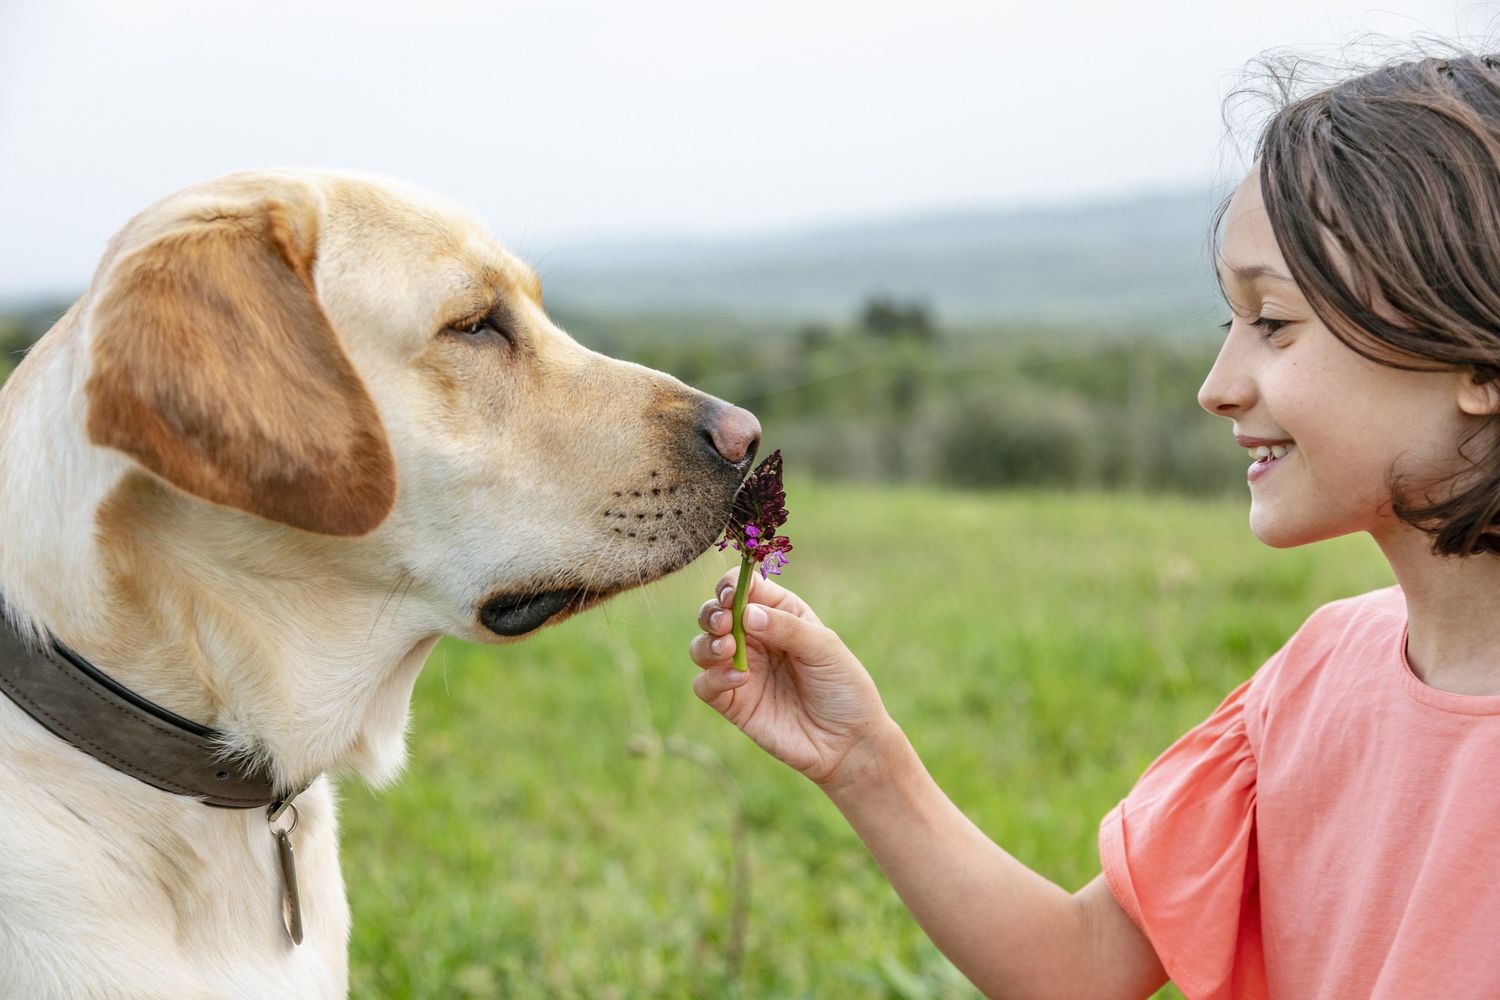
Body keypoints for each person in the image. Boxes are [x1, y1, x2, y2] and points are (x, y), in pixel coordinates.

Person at [688, 50, 1500, 1000]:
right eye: (1226, 323)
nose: (1218, 386)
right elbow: (1078, 965)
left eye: (1274, 323)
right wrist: (862, 758)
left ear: (1478, 358)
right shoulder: (1316, 676)